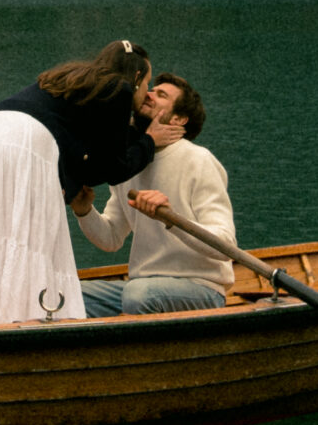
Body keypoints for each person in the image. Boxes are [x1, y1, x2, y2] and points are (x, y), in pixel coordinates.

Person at [0, 40, 183, 327]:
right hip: (26, 143)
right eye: (147, 82)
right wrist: (150, 141)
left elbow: (90, 163)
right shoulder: (118, 89)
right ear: (135, 78)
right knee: (29, 237)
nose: (146, 94)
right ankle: (23, 321)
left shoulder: (77, 80)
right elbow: (113, 169)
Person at [73, 74, 235, 317]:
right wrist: (84, 210)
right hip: (140, 289)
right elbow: (111, 237)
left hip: (201, 289)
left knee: (139, 294)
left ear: (178, 119)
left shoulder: (198, 160)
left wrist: (172, 220)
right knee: (67, 295)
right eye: (151, 90)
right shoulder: (129, 161)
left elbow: (226, 247)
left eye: (161, 95)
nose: (148, 94)